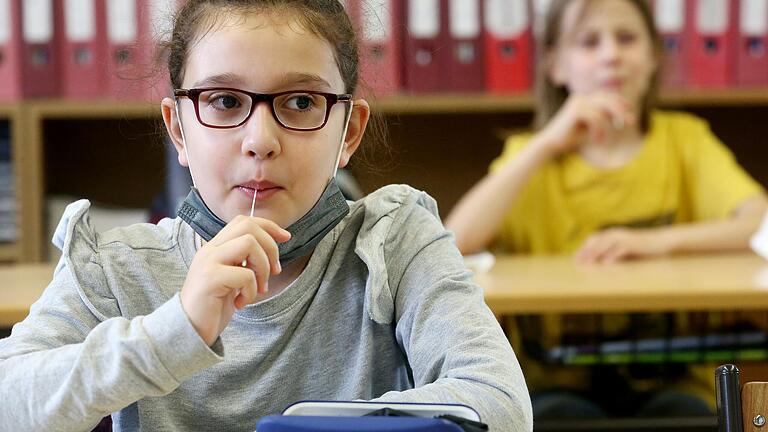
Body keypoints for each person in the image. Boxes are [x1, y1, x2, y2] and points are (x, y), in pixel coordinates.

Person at [0, 1, 532, 431]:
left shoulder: (396, 242)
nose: (260, 140)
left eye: (301, 102)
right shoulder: (115, 268)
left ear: (348, 131)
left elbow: (500, 404)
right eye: (225, 101)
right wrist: (175, 329)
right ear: (179, 129)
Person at [446, 0, 767, 419]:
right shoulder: (530, 157)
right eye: (589, 42)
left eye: (627, 38)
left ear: (654, 57)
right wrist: (546, 143)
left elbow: (760, 222)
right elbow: (453, 244)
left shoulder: (685, 141)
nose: (611, 54)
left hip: (676, 377)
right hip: (551, 382)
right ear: (555, 65)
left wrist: (652, 243)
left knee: (682, 413)